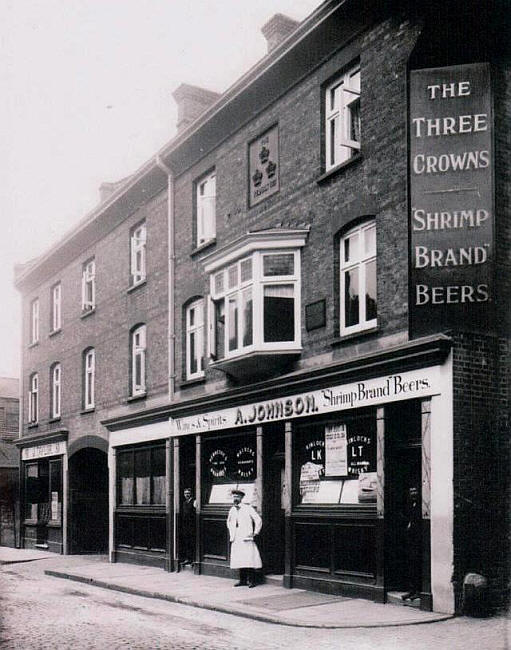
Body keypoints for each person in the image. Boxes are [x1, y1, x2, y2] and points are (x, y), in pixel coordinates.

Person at [226, 488, 262, 588]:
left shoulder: (248, 508)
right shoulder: (232, 509)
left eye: (237, 496)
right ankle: (242, 580)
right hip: (236, 536)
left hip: (246, 536)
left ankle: (251, 580)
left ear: (242, 498)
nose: (235, 498)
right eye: (234, 497)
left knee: (249, 558)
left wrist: (255, 532)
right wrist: (232, 531)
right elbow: (228, 521)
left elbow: (258, 520)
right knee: (239, 558)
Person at [401, 485, 422, 601]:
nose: (413, 493)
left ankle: (418, 590)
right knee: (410, 564)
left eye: (415, 491)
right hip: (410, 540)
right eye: (411, 491)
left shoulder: (420, 505)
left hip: (417, 541)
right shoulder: (409, 505)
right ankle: (411, 590)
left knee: (416, 565)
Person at [180, 487, 196, 565]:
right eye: (185, 493)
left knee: (192, 542)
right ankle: (188, 558)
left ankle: (192, 559)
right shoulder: (184, 503)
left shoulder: (194, 502)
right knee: (187, 542)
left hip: (192, 526)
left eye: (188, 493)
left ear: (191, 494)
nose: (187, 495)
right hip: (185, 526)